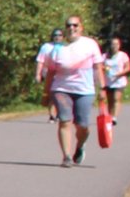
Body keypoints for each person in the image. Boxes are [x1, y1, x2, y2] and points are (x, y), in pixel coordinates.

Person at [46, 15, 107, 166]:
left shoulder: (90, 44)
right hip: (61, 89)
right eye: (68, 25)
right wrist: (46, 92)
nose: (71, 28)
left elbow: (98, 67)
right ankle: (66, 156)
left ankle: (80, 145)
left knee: (83, 126)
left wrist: (103, 88)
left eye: (75, 25)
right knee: (65, 121)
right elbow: (51, 72)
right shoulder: (57, 49)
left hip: (84, 90)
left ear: (81, 27)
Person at [102, 36, 130, 120]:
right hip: (108, 82)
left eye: (116, 44)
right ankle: (110, 117)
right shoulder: (105, 56)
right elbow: (100, 66)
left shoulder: (123, 55)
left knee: (116, 98)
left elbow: (128, 67)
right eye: (113, 44)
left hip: (119, 81)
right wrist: (104, 68)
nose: (114, 46)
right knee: (110, 101)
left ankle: (114, 117)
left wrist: (119, 74)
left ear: (119, 45)